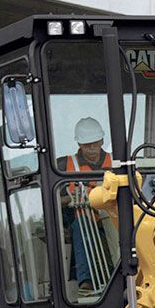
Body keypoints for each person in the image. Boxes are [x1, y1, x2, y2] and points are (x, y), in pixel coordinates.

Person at [58, 117, 113, 294]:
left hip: (114, 221)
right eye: (87, 145)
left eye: (95, 144)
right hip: (83, 222)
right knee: (82, 227)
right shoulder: (63, 166)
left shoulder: (116, 163)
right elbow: (48, 200)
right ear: (79, 144)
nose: (91, 149)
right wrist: (68, 200)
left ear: (102, 141)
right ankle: (86, 281)